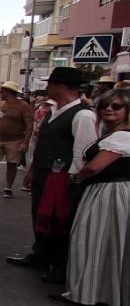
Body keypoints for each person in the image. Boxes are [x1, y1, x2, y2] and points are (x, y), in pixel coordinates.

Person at [7, 67, 96, 284]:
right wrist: (33, 170)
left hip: (62, 178)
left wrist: (73, 181)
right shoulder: (55, 110)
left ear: (60, 86)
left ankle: (60, 265)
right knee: (41, 216)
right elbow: (44, 145)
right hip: (45, 174)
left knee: (59, 221)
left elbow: (82, 152)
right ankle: (41, 256)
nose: (46, 88)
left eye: (50, 84)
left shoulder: (82, 115)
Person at [51, 88, 130, 306]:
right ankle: (102, 293)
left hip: (108, 192)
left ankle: (85, 293)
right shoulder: (114, 135)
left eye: (116, 106)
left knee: (92, 239)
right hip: (109, 191)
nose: (109, 110)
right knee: (109, 243)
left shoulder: (122, 137)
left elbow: (96, 166)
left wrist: (76, 178)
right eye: (105, 105)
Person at [0, 80, 33, 197]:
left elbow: (29, 125)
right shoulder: (1, 104)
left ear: (8, 92)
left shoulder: (23, 106)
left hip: (14, 140)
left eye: (2, 91)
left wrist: (25, 142)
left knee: (11, 164)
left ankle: (8, 187)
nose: (0, 93)